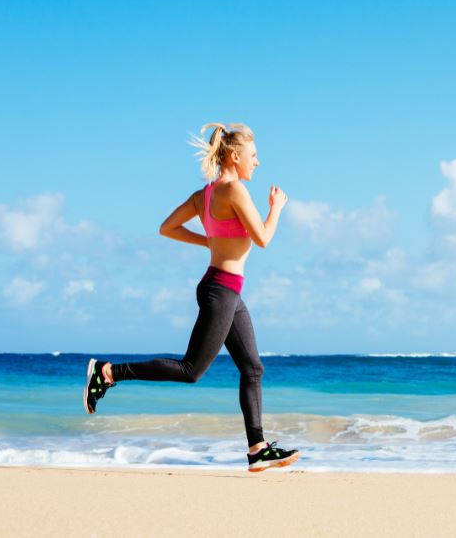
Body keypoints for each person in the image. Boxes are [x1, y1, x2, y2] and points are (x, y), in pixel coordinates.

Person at [82, 122, 300, 473]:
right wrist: (276, 208)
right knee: (191, 370)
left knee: (252, 368)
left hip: (224, 289)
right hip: (221, 292)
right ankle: (107, 373)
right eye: (254, 155)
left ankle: (257, 448)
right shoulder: (235, 191)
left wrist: (210, 242)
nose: (257, 163)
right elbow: (262, 239)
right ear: (234, 155)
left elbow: (167, 227)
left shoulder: (206, 195)